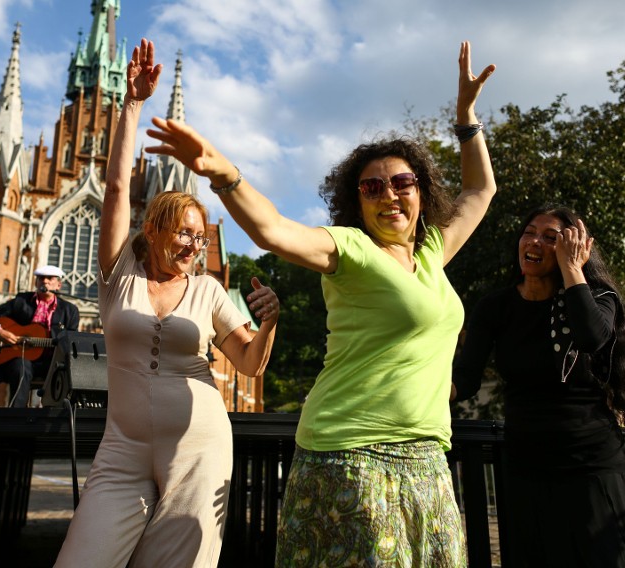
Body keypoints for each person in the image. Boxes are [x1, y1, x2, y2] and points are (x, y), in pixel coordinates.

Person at [147, 42, 496, 567]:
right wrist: (222, 173)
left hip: (427, 457)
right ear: (357, 201)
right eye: (372, 187)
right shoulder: (351, 249)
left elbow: (480, 189)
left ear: (421, 192)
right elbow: (272, 230)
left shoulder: (430, 253)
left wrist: (466, 120)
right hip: (351, 454)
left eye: (402, 183)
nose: (389, 195)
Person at [53, 40, 280, 568]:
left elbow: (248, 361)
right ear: (153, 230)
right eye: (184, 233)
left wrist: (268, 324)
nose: (193, 246)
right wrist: (131, 105)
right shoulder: (118, 277)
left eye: (200, 239)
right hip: (123, 451)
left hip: (201, 448)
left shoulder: (208, 290)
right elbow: (113, 191)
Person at [451, 204, 625, 567]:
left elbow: (591, 338)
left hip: (592, 463)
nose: (534, 241)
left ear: (577, 248)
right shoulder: (495, 306)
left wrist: (572, 270)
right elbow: (466, 380)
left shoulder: (599, 299)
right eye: (529, 232)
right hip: (527, 464)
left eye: (552, 238)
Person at [0, 264, 80, 408]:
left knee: (66, 369)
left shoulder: (70, 311)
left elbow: (72, 341)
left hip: (53, 361)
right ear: (36, 283)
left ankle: (55, 417)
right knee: (21, 366)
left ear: (58, 285)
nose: (45, 281)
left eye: (50, 279)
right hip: (22, 360)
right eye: (41, 278)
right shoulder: (21, 302)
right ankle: (17, 415)